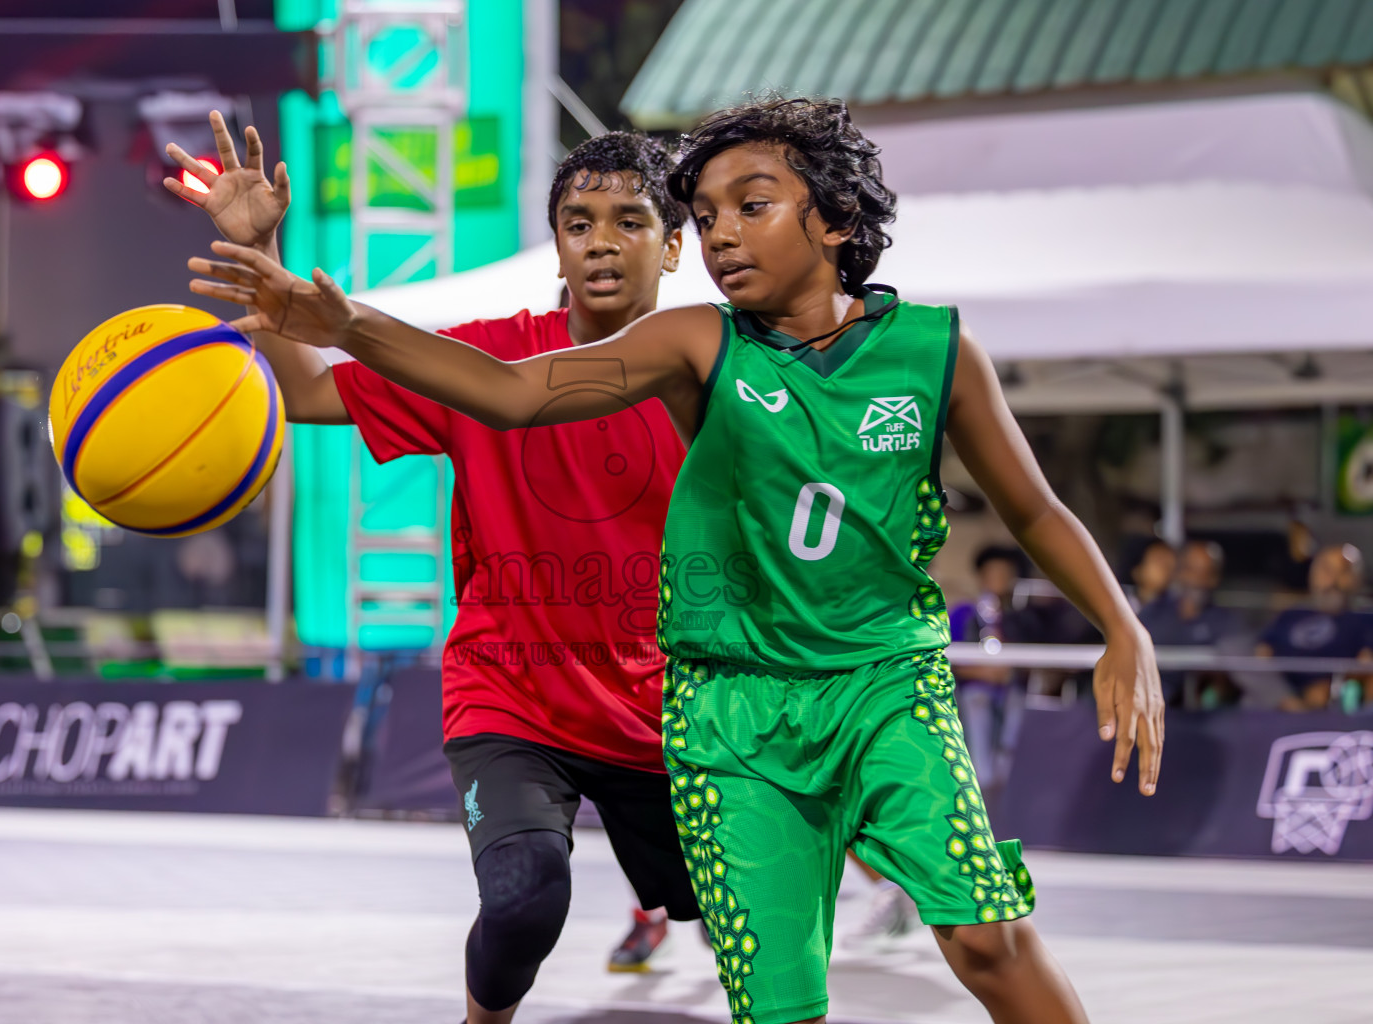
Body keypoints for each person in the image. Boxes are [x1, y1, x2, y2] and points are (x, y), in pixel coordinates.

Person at [189, 96, 1165, 1024]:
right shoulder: (693, 344)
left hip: (871, 684)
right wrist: (335, 313)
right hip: (709, 710)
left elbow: (1035, 507)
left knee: (989, 938)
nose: (725, 233)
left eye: (749, 207)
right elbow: (509, 394)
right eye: (709, 215)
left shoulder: (936, 350)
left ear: (835, 220)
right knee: (716, 978)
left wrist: (1123, 627)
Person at [164, 115, 701, 1019]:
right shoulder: (485, 355)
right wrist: (256, 246)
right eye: (579, 224)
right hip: (512, 696)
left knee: (745, 915)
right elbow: (306, 392)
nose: (603, 243)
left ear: (675, 246)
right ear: (557, 251)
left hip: (670, 710)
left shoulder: (719, 372)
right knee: (526, 898)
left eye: (631, 221)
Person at [951, 546, 1039, 792]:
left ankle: (1006, 781)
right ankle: (980, 779)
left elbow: (1033, 663)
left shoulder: (1023, 619)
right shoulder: (964, 614)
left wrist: (1009, 672)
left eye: (1005, 572)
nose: (998, 578)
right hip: (972, 697)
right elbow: (951, 661)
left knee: (1016, 710)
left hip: (1013, 697)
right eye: (992, 572)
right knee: (977, 704)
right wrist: (986, 673)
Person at [1257, 544, 1372, 711]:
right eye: (1326, 570)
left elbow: (1366, 663)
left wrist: (1334, 684)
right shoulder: (1292, 615)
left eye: (1343, 572)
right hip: (1285, 693)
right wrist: (1286, 695)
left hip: (1337, 696)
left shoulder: (1364, 618)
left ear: (1357, 580)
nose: (1332, 580)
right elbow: (1262, 655)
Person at [1139, 540, 1244, 706]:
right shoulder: (1155, 611)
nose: (1197, 579)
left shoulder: (1224, 621)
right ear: (1179, 573)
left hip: (1200, 712)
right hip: (1150, 700)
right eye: (1191, 570)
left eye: (1206, 572)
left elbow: (1233, 675)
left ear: (1215, 579)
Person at [1127, 537, 1176, 611]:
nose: (1164, 569)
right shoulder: (1117, 599)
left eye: (1168, 566)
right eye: (1158, 560)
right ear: (1137, 571)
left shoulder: (1175, 613)